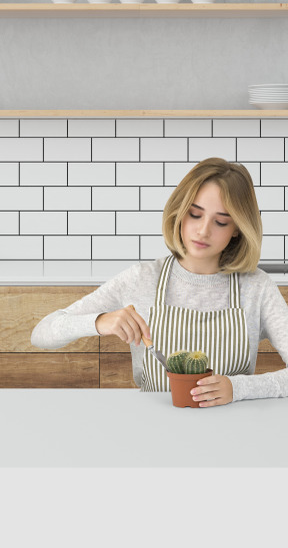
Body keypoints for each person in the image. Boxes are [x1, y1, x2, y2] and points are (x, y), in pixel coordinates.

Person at [31, 157, 288, 406]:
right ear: (179, 212)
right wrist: (99, 321)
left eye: (221, 221)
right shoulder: (141, 279)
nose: (203, 230)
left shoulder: (257, 288)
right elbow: (42, 333)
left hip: (234, 431)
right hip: (152, 431)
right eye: (195, 214)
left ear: (237, 229)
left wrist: (238, 388)